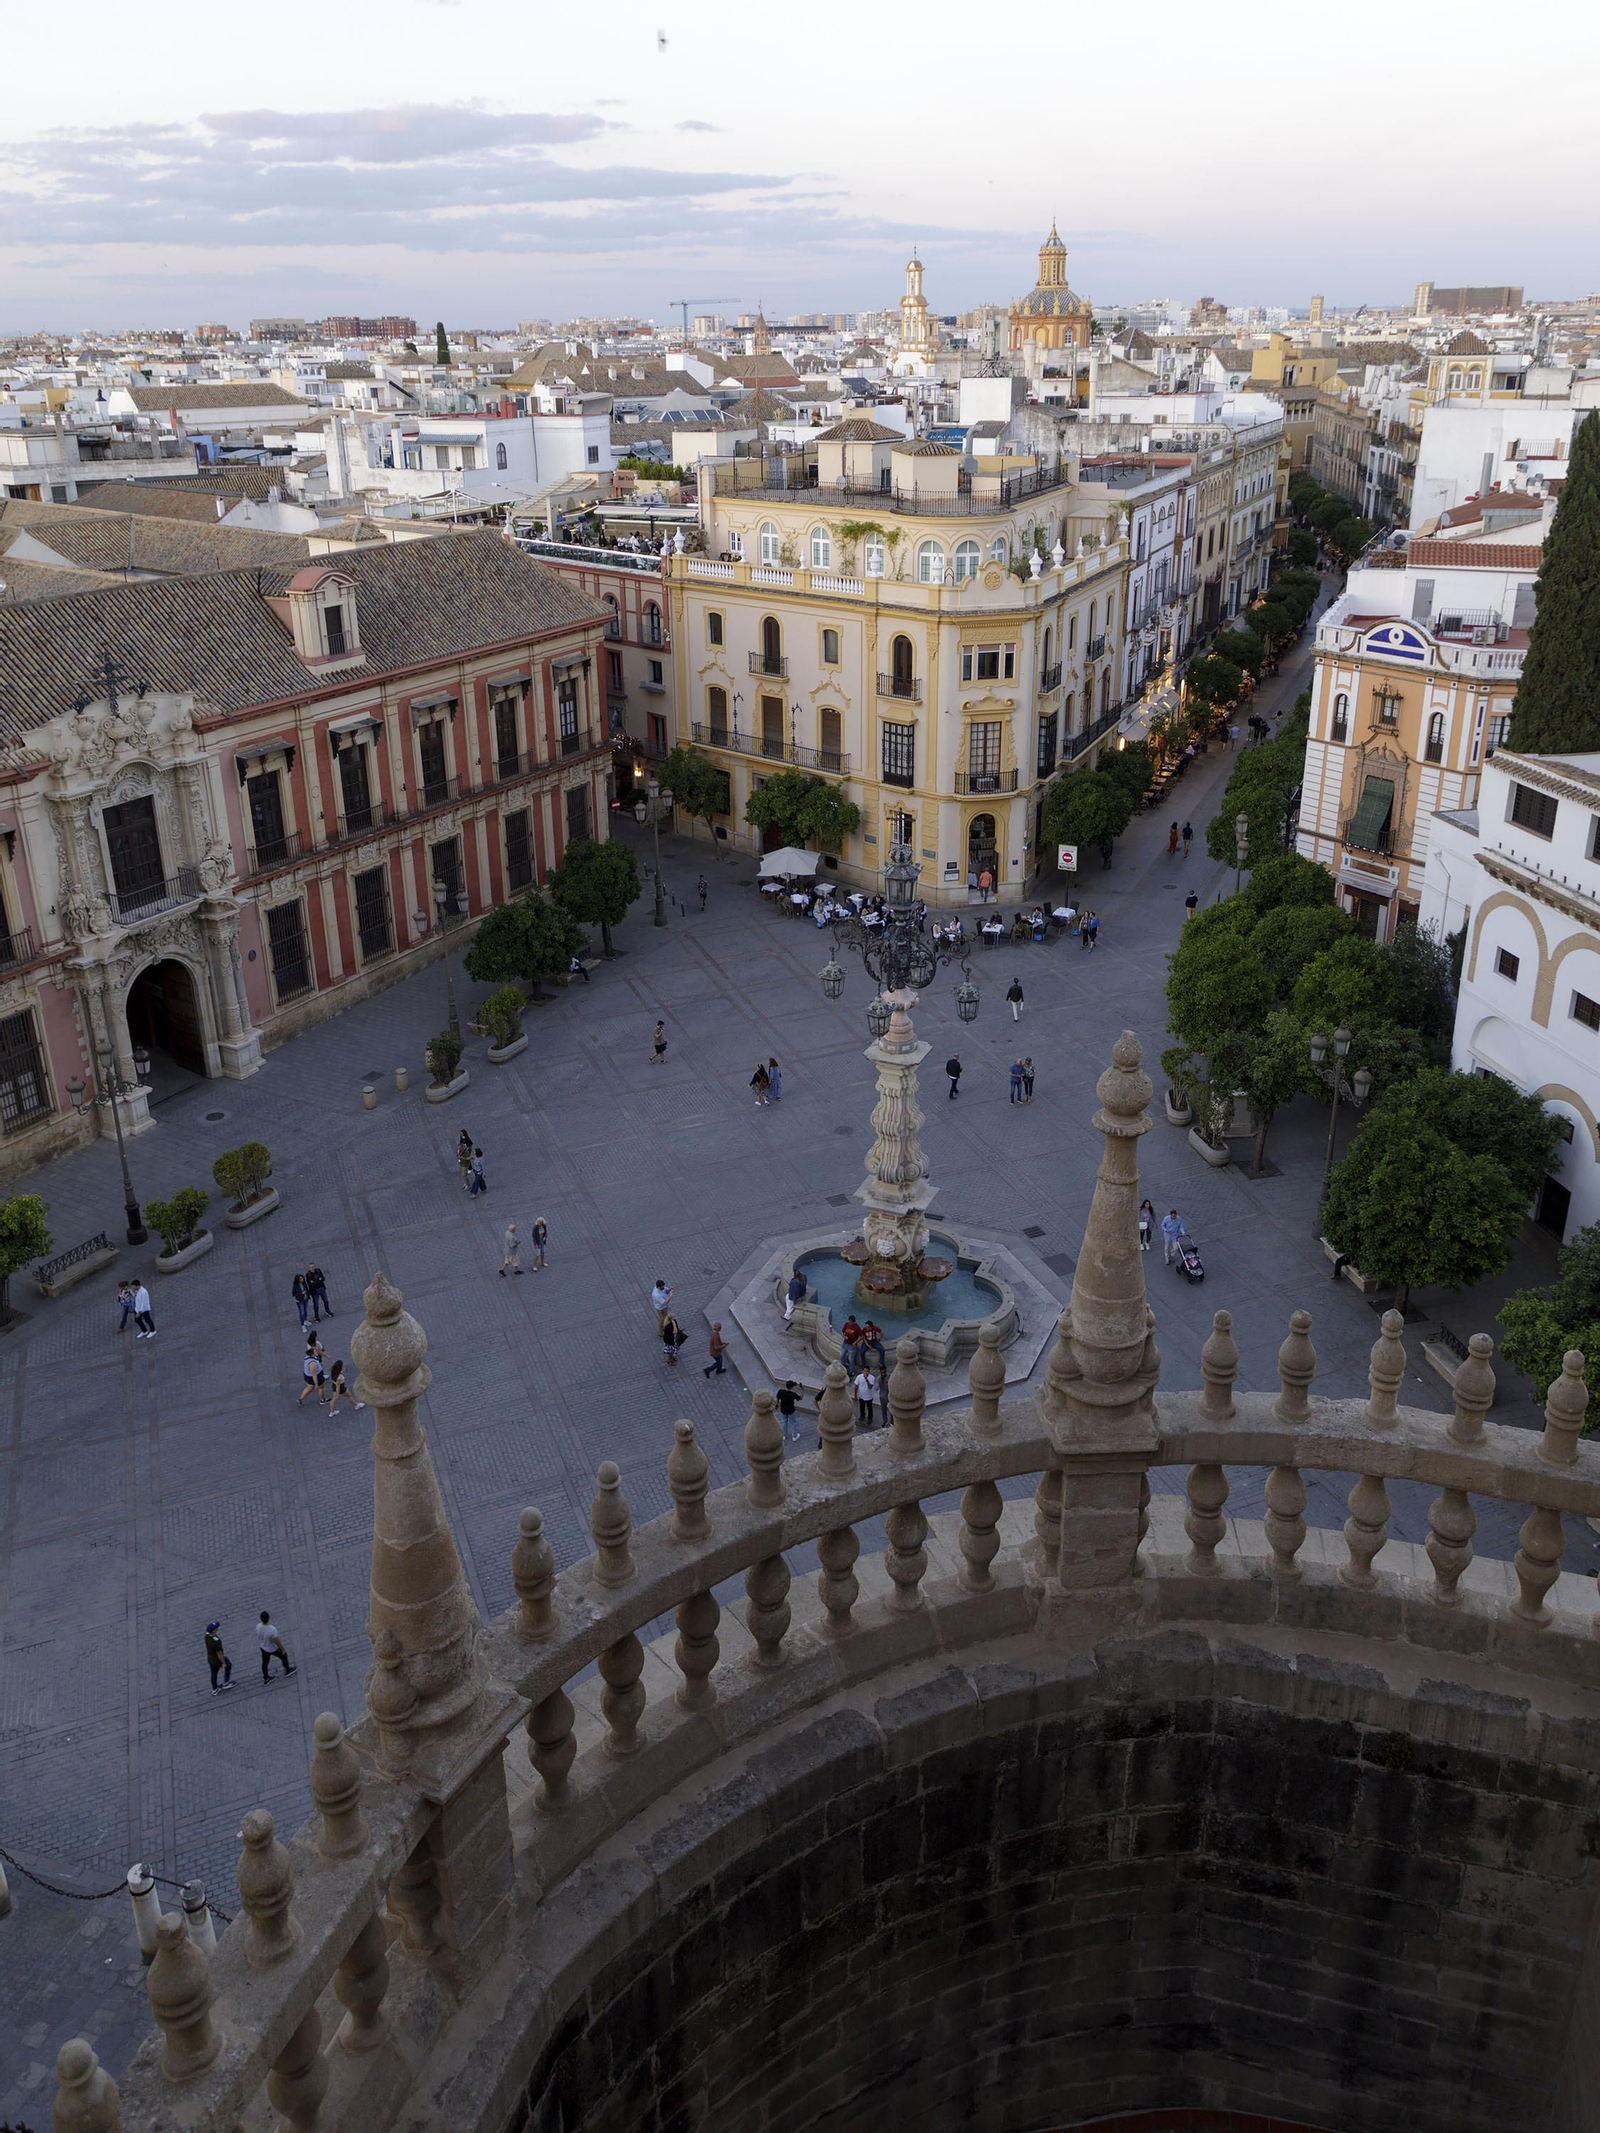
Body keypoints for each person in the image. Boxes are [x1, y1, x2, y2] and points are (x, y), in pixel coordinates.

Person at [257, 1611, 294, 1682]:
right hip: (272, 1648)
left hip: (263, 1647)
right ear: (268, 1618)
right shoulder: (272, 1630)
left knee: (265, 1663)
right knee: (284, 1656)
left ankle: (266, 1678)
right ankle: (288, 1670)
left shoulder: (258, 1626)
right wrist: (283, 1649)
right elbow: (276, 1641)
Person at [298, 1334, 327, 1407]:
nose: (316, 1351)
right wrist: (316, 1384)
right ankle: (322, 1400)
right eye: (314, 1351)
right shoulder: (313, 1363)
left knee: (310, 1387)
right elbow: (314, 1375)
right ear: (312, 1353)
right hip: (316, 1376)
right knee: (321, 1387)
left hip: (307, 1376)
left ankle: (301, 1399)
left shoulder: (307, 1357)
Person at [205, 1621, 234, 1693]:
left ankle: (215, 1689)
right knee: (228, 1665)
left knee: (213, 1674)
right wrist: (223, 1662)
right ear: (213, 1631)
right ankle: (226, 1683)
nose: (217, 1629)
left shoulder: (207, 1637)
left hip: (211, 1659)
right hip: (217, 1660)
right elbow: (219, 1653)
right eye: (216, 1628)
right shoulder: (216, 1642)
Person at [853, 1365, 878, 1429]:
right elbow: (856, 1386)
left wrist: (866, 1380)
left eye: (867, 1371)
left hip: (869, 1396)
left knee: (869, 1408)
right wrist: (855, 1395)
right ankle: (862, 1415)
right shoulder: (859, 1377)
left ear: (869, 1371)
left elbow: (870, 1387)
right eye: (864, 1371)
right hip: (861, 1396)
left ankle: (870, 1418)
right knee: (862, 1406)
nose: (865, 1372)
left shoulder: (872, 1378)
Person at [776, 1380, 801, 1444]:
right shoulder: (792, 1394)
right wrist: (802, 1389)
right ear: (792, 1387)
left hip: (783, 1409)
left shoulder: (780, 1392)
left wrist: (777, 1405)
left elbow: (777, 1398)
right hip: (791, 1410)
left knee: (784, 1421)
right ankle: (794, 1436)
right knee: (793, 1422)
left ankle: (784, 1435)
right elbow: (800, 1398)